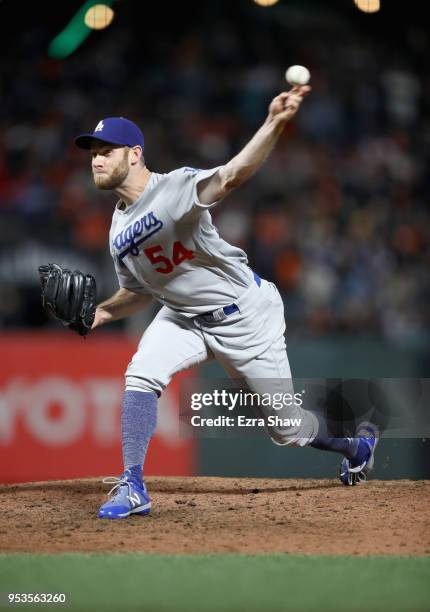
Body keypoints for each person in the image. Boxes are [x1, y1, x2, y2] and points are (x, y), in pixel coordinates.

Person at [74, 86, 378, 519]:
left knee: (287, 429)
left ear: (135, 154)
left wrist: (274, 122)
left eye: (107, 150)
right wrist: (103, 311)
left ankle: (356, 445)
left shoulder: (175, 188)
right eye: (93, 152)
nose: (96, 159)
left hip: (245, 316)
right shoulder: (116, 229)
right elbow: (139, 292)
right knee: (141, 373)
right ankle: (133, 484)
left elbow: (233, 174)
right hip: (182, 317)